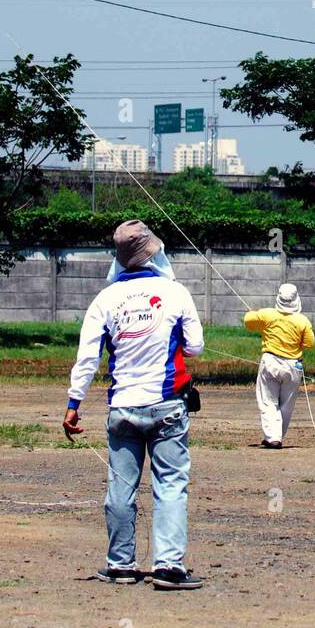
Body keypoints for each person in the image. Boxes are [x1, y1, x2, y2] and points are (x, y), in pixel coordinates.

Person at [63, 219, 205, 590]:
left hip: (123, 409)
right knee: (170, 485)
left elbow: (88, 358)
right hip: (167, 405)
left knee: (121, 487)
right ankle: (168, 567)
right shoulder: (176, 293)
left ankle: (120, 565)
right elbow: (195, 346)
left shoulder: (104, 299)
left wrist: (73, 403)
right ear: (153, 252)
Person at [243, 283, 315, 449]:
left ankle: (273, 436)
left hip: (270, 362)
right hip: (293, 365)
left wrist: (254, 313)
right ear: (296, 299)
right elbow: (310, 343)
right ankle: (276, 436)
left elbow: (248, 321)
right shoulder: (302, 320)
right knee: (287, 404)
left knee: (268, 401)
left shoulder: (267, 314)